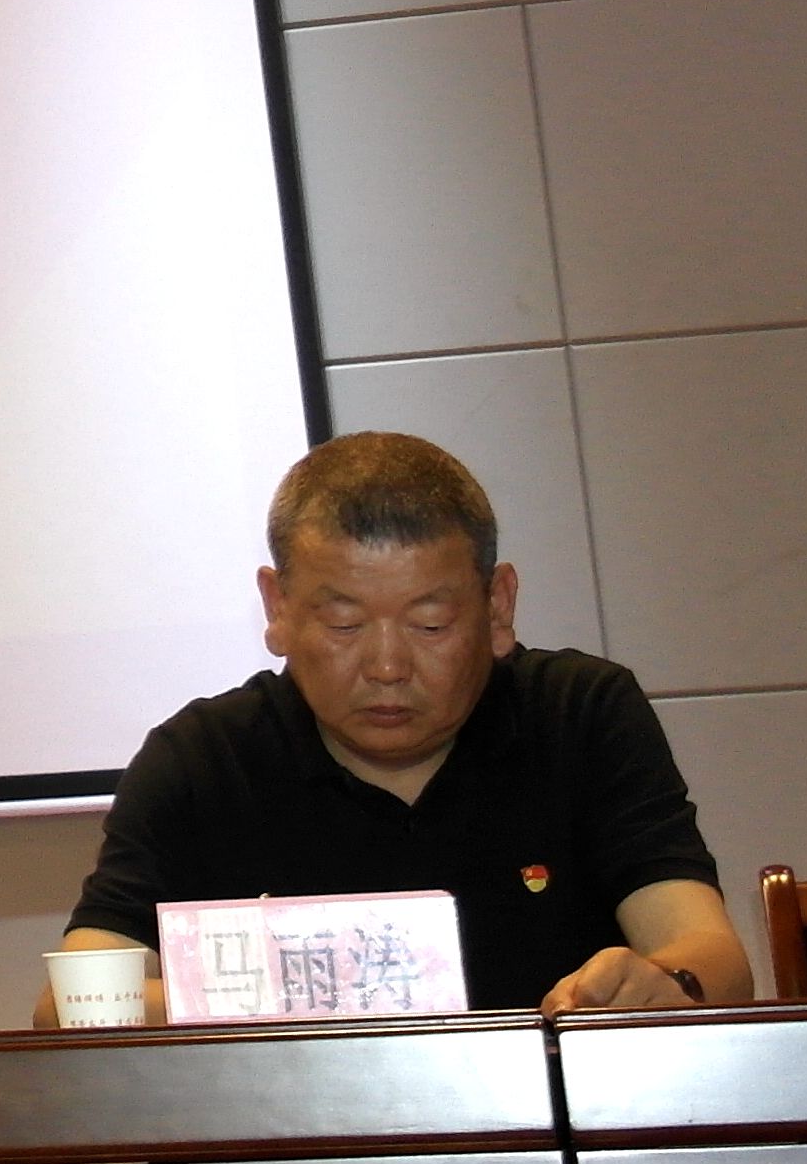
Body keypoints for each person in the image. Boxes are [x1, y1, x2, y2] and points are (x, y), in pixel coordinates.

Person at [50, 432, 749, 1020]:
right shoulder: (201, 760)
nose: (387, 666)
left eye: (430, 624)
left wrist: (667, 984)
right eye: (343, 623)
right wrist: (291, 998)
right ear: (278, 608)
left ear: (498, 606)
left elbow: (714, 957)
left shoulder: (580, 714)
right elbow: (71, 1003)